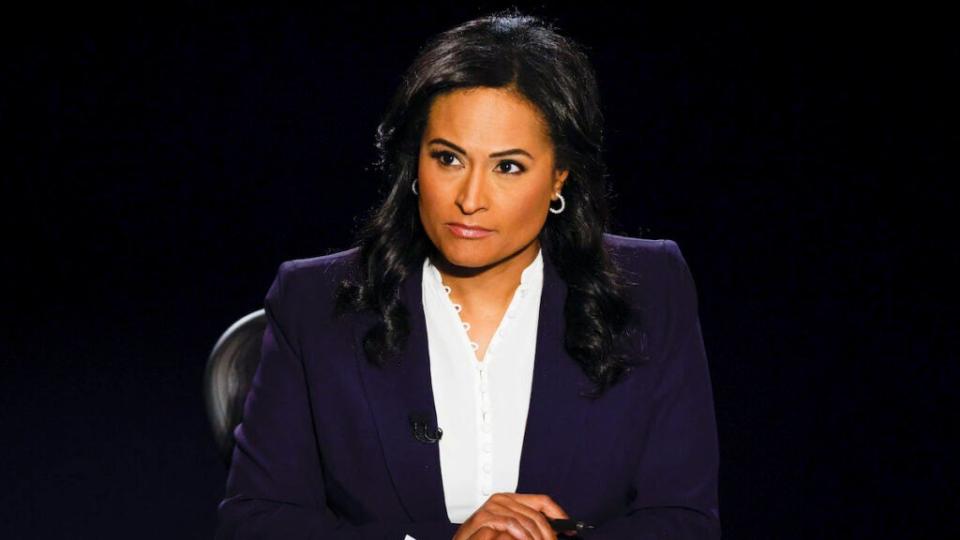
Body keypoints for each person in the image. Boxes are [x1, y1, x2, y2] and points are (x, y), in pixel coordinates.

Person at [216, 8, 720, 540]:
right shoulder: (313, 303)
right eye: (448, 159)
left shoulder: (652, 287)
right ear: (416, 165)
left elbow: (684, 521)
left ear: (559, 179)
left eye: (508, 167)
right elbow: (254, 522)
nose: (470, 199)